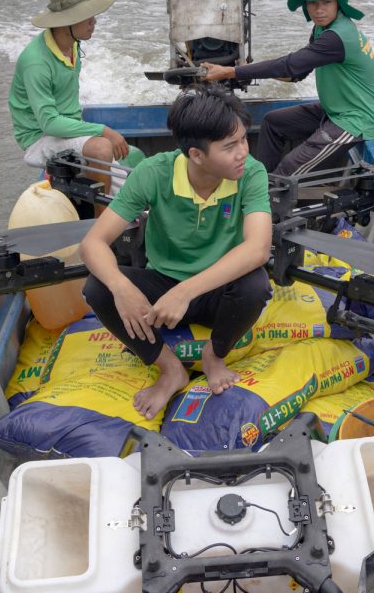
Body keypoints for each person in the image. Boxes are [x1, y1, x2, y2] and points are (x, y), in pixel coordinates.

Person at [81, 85, 272, 419]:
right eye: (230, 146)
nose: (243, 151)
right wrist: (123, 289)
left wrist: (185, 292)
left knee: (255, 284)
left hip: (217, 294)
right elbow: (92, 244)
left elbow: (257, 249)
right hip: (160, 291)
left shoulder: (251, 173)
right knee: (98, 286)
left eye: (244, 139)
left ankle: (214, 355)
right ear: (196, 155)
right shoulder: (154, 173)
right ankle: (169, 369)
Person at [202, 0, 374, 176]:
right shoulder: (321, 29)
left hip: (356, 118)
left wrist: (230, 72)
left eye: (327, 2)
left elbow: (289, 66)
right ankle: (261, 184)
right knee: (273, 123)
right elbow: (297, 73)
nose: (319, 10)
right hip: (335, 110)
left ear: (338, 3)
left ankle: (269, 197)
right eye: (313, 3)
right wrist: (247, 70)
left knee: (289, 169)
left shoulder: (336, 37)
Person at [8, 0, 144, 191]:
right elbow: (49, 124)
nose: (94, 22)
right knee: (101, 148)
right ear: (66, 23)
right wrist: (103, 130)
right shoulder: (36, 62)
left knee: (135, 188)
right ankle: (99, 221)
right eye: (87, 17)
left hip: (65, 131)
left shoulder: (72, 44)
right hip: (40, 138)